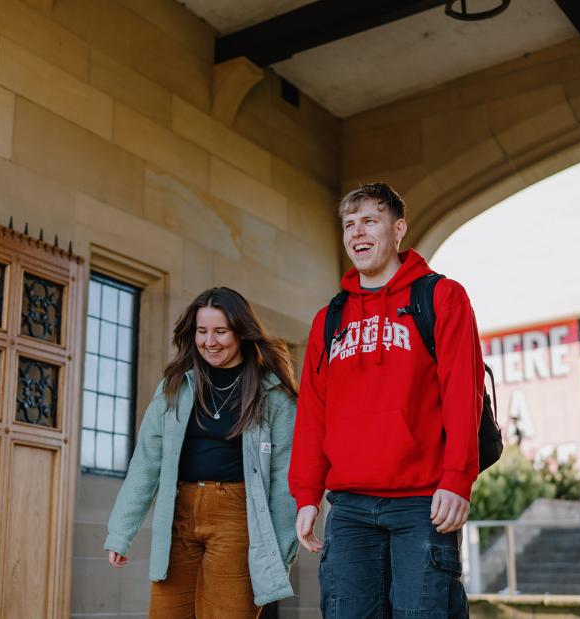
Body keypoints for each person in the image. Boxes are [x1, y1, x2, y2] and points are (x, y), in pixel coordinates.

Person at [289, 183, 484, 618]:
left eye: (369, 221)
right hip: (350, 509)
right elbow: (313, 414)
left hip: (422, 505)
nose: (358, 232)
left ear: (398, 229)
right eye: (349, 224)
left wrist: (457, 477)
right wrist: (306, 493)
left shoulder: (439, 297)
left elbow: (462, 393)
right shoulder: (329, 319)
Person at [104, 287, 299, 618]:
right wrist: (121, 532)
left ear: (241, 332)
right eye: (202, 331)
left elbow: (285, 478)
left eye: (221, 331)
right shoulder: (176, 386)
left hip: (238, 519)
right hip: (179, 516)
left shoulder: (273, 395)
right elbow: (147, 461)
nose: (210, 341)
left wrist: (277, 551)